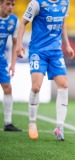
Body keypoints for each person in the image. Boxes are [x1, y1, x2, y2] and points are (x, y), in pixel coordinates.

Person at [16, 0, 74, 141]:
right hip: (38, 51)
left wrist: (67, 45)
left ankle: (59, 128)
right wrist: (18, 44)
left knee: (64, 85)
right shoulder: (36, 4)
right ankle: (32, 123)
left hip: (55, 52)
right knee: (36, 87)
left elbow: (63, 23)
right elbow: (23, 22)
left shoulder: (65, 3)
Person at [0, 0, 21, 131]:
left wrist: (13, 64)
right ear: (0, 3)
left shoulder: (14, 20)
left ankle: (8, 123)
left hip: (1, 60)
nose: (10, 7)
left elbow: (15, 44)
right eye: (8, 4)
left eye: (13, 5)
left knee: (8, 88)